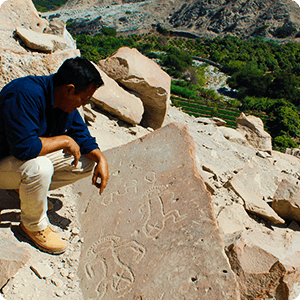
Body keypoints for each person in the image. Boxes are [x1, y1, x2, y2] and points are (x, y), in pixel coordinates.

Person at [0, 57, 109, 255]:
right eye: (83, 98)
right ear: (69, 89)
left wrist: (101, 158)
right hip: (4, 161)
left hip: (16, 163)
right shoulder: (24, 94)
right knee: (40, 167)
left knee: (86, 163)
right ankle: (32, 226)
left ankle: (26, 190)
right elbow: (24, 148)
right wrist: (65, 141)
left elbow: (83, 136)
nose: (83, 104)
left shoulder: (63, 102)